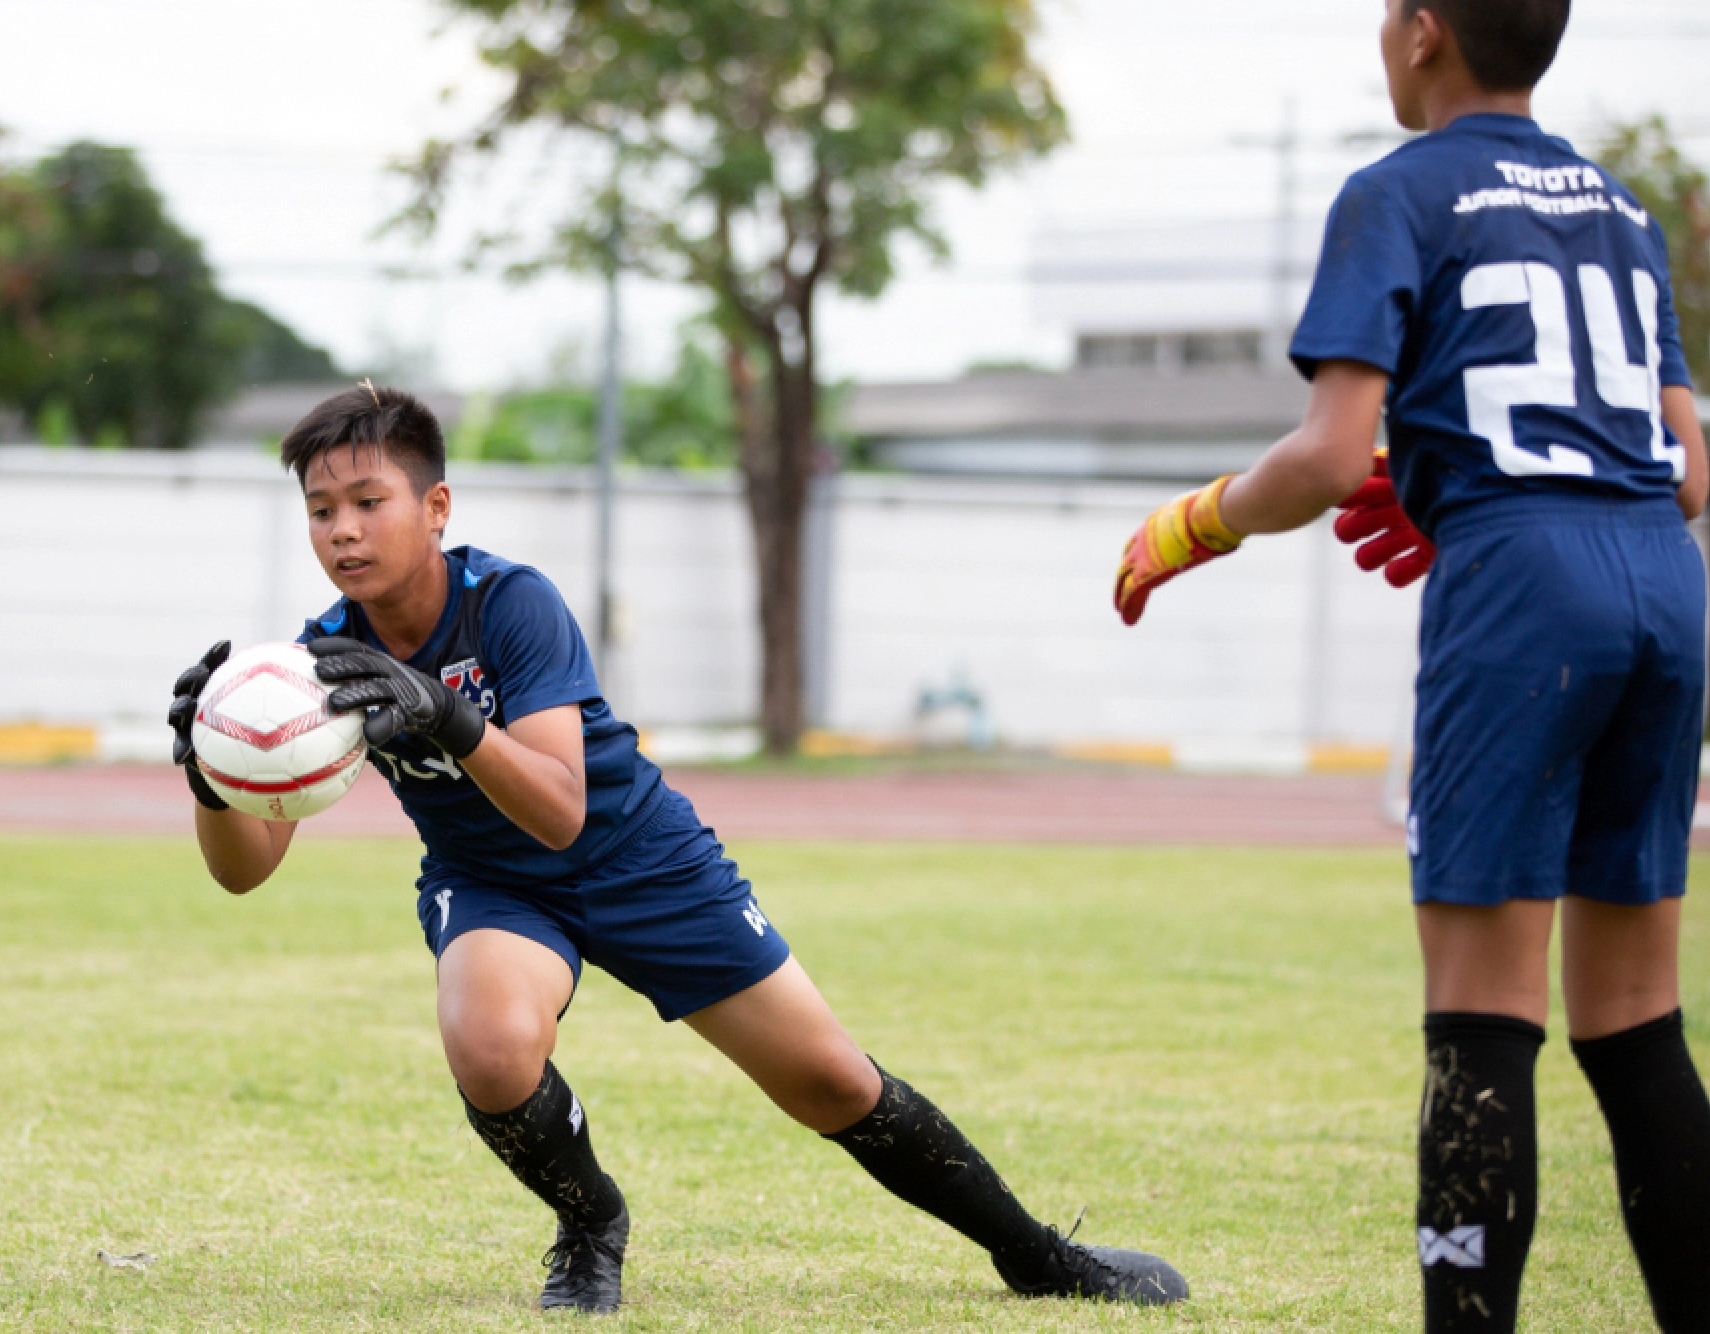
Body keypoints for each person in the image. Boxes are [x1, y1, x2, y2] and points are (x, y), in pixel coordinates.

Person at [167, 384, 1188, 1315]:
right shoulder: (319, 665)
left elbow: (562, 809)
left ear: (435, 507)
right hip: (493, 883)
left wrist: (445, 713)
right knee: (489, 1044)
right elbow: (244, 868)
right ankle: (590, 1224)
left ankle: (1036, 1255)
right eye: (320, 510)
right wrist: (213, 772)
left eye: (367, 501)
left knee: (831, 1081)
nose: (343, 530)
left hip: (639, 857)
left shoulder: (511, 603)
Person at [1112, 1, 1710, 1330]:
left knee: (1481, 1017)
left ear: (1422, 32)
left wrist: (1196, 520)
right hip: (1659, 579)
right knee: (1636, 1019)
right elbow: (1688, 474)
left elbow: (1329, 455)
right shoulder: (1622, 210)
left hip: (1519, 591)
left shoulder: (1395, 191)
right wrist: (1457, 469)